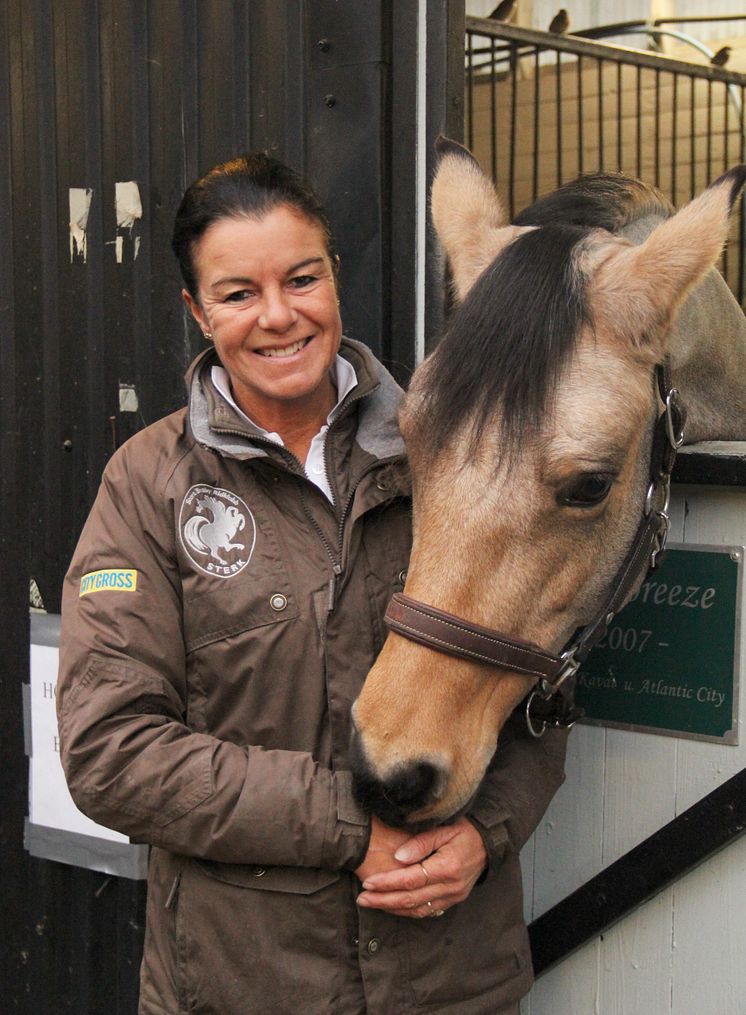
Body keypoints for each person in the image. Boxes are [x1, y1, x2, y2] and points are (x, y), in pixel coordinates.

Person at [57, 153, 569, 1015]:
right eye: (237, 293)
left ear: (334, 276)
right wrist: (347, 827)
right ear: (197, 311)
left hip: (452, 983)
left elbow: (537, 691)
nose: (279, 316)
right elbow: (112, 751)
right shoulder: (148, 483)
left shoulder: (448, 455)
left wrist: (487, 831)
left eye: (302, 278)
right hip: (241, 987)